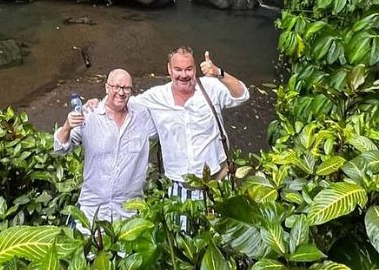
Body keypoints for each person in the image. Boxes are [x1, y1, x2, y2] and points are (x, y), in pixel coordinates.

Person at [86, 46, 249, 201]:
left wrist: (219, 72)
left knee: (220, 229)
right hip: (180, 186)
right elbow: (124, 102)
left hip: (217, 180)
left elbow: (242, 95)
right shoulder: (157, 96)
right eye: (178, 69)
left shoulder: (210, 87)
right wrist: (99, 103)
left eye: (188, 69)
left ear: (195, 69)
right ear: (169, 69)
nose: (183, 75)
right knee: (180, 230)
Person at [53, 68, 156, 230]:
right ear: (107, 87)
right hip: (92, 210)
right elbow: (60, 148)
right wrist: (66, 127)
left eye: (126, 88)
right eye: (116, 87)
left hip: (129, 212)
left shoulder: (143, 116)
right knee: (89, 255)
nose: (121, 92)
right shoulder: (89, 114)